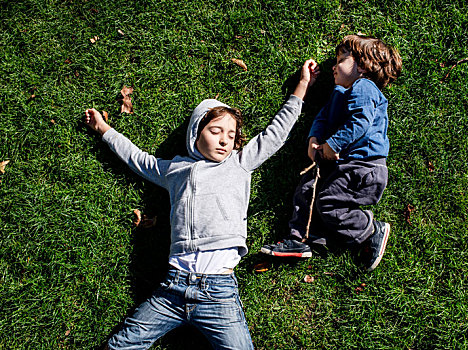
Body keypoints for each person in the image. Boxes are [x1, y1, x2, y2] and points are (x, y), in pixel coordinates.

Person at [85, 59, 319, 349]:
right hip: (172, 288)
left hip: (219, 291)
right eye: (216, 131)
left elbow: (276, 132)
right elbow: (136, 158)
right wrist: (104, 129)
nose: (225, 141)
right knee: (120, 345)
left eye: (231, 136)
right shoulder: (174, 170)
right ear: (196, 133)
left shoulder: (240, 163)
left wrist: (303, 85)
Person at [261, 35, 402, 272]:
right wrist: (314, 139)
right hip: (341, 163)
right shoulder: (339, 92)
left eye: (342, 60)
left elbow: (360, 121)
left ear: (363, 66)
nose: (334, 67)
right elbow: (323, 117)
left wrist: (333, 145)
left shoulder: (364, 87)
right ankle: (300, 239)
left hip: (362, 167)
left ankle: (369, 231)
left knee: (328, 203)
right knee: (307, 189)